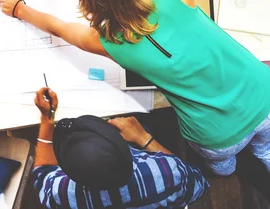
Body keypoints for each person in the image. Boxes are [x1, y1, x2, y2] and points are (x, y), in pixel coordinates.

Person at [0, 0, 270, 207]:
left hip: (217, 134)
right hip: (266, 95)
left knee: (223, 162)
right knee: (269, 143)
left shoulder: (109, 42)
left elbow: (59, 28)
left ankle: (225, 172)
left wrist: (20, 8)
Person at [30, 87, 209, 208]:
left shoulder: (65, 195)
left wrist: (47, 118)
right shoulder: (167, 173)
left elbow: (42, 174)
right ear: (122, 147)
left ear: (67, 172)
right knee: (146, 121)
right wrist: (143, 137)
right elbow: (198, 183)